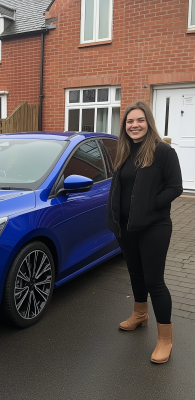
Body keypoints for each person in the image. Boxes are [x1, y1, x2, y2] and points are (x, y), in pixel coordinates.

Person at [106, 101, 183, 364]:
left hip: (154, 226)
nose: (134, 125)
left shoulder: (163, 152)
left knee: (155, 281)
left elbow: (175, 188)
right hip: (126, 227)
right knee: (135, 273)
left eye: (139, 120)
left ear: (148, 122)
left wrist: (149, 205)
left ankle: (165, 339)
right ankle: (140, 314)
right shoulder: (124, 150)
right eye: (129, 121)